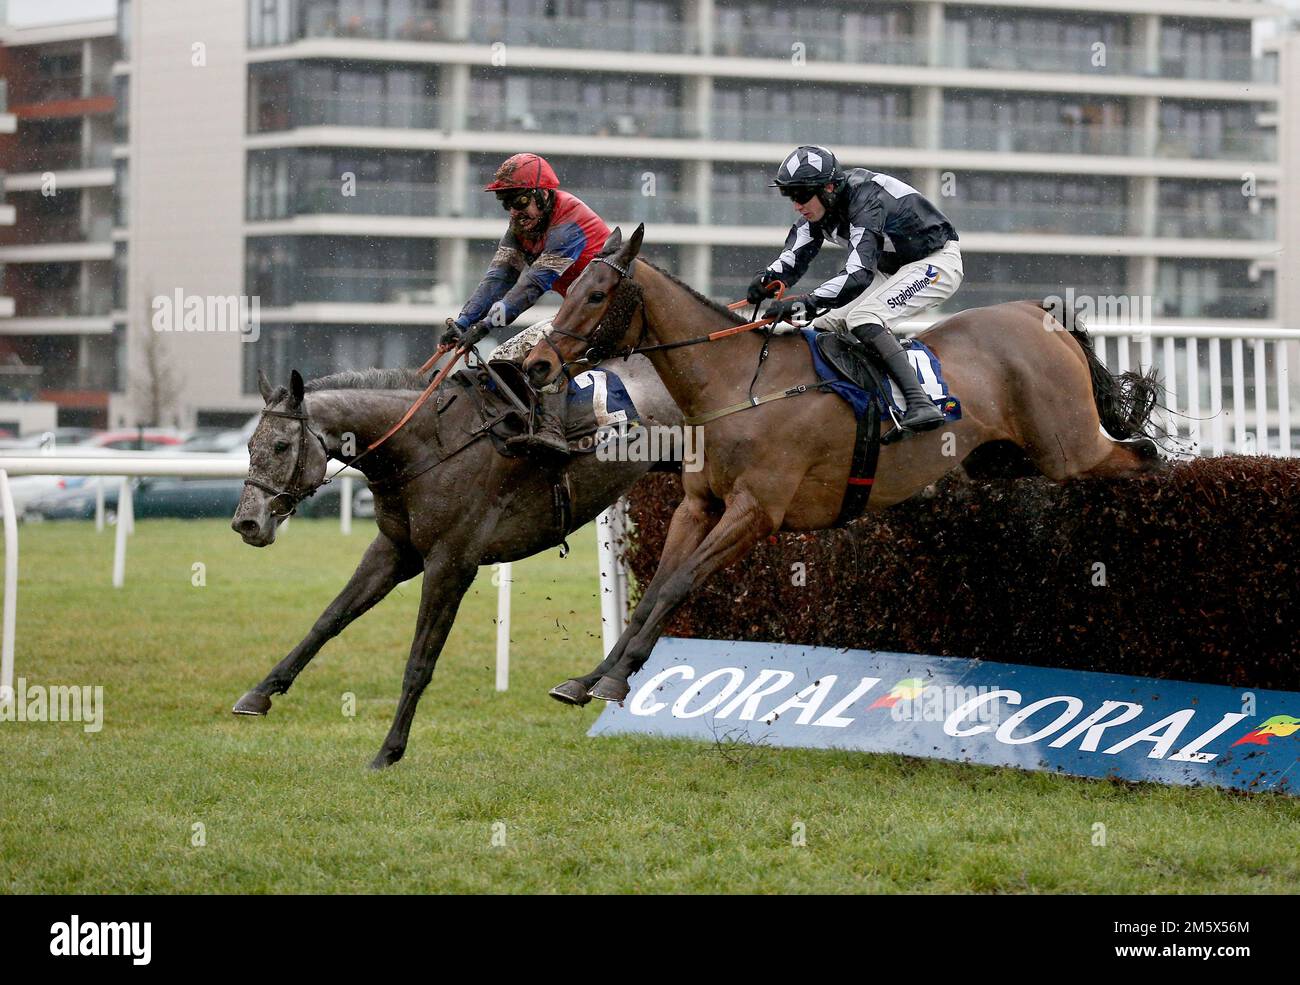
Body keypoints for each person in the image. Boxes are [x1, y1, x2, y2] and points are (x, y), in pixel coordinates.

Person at [747, 145, 964, 439]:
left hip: (935, 263)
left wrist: (806, 303)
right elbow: (793, 258)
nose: (796, 205)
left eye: (801, 195)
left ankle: (920, 403)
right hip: (892, 271)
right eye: (790, 195)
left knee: (864, 317)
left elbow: (858, 274)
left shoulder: (866, 200)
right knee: (824, 324)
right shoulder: (819, 211)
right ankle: (865, 406)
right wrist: (766, 280)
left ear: (829, 188)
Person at [441, 153, 610, 456]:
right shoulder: (520, 227)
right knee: (501, 356)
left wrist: (485, 326)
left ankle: (553, 430)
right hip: (580, 314)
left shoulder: (569, 223)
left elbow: (533, 285)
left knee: (535, 355)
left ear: (543, 194)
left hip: (609, 311)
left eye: (519, 201)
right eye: (506, 203)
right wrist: (464, 322)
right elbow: (499, 278)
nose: (515, 212)